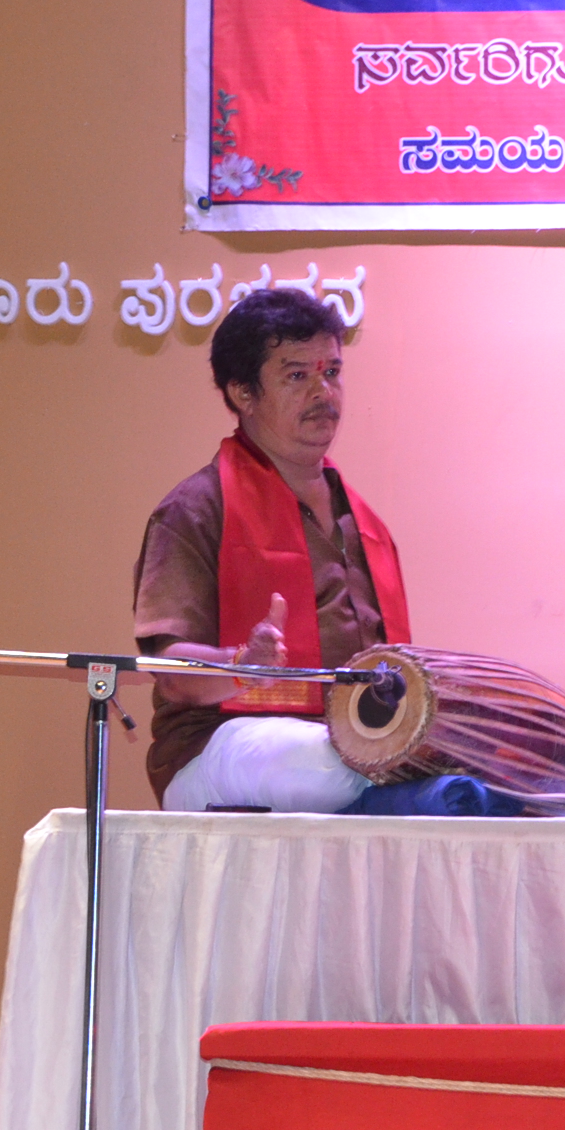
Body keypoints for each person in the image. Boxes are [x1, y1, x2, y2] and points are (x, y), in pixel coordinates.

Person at [132, 288, 411, 812]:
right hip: (224, 748)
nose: (323, 392)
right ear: (243, 392)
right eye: (297, 375)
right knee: (318, 762)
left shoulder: (365, 524)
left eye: (332, 371)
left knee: (465, 755)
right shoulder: (195, 510)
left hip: (344, 745)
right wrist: (243, 665)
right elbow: (171, 672)